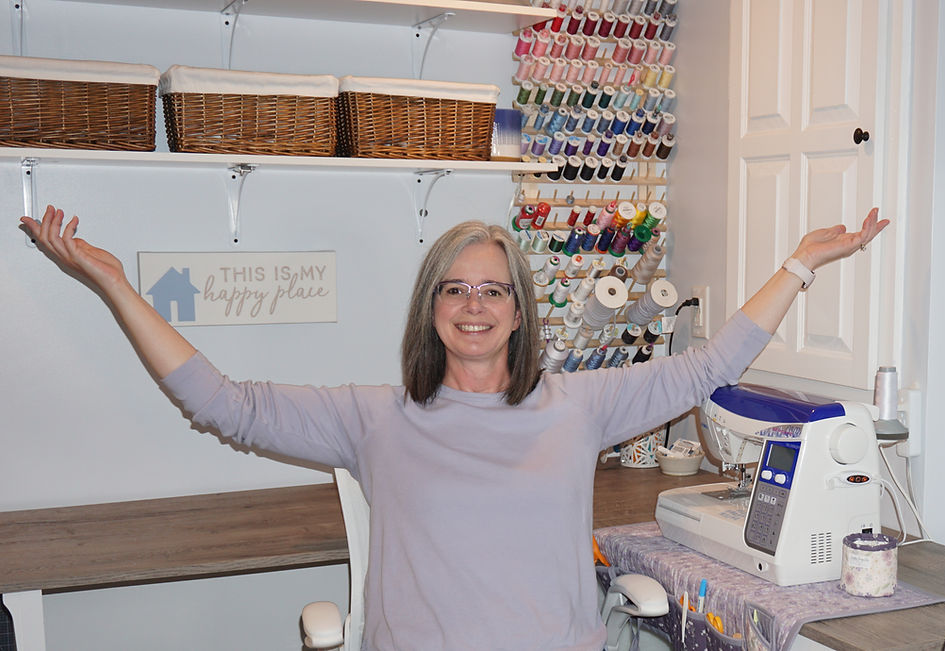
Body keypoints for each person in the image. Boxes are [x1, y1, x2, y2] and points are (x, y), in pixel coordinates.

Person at [19, 205, 887, 650]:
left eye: (493, 289)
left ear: (519, 311)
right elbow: (224, 401)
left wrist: (800, 264)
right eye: (455, 288)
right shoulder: (374, 417)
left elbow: (708, 367)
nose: (474, 305)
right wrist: (111, 283)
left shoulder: (578, 405)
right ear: (432, 306)